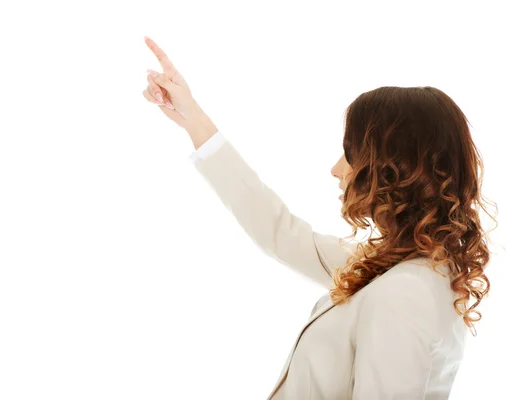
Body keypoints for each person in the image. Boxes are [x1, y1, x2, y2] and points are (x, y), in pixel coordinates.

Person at [142, 36, 496, 400]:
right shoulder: (402, 271)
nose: (335, 169)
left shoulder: (404, 293)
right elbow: (281, 233)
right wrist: (192, 118)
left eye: (348, 152)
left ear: (392, 168)